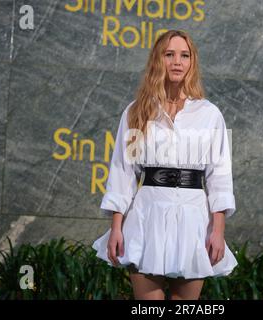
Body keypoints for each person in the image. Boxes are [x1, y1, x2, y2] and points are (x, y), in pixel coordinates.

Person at [92, 30, 238, 300]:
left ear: (192, 62)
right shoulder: (137, 110)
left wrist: (218, 231)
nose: (177, 62)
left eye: (184, 55)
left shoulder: (209, 114)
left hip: (194, 218)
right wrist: (116, 227)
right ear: (158, 60)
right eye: (169, 54)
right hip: (147, 216)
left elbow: (219, 176)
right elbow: (123, 171)